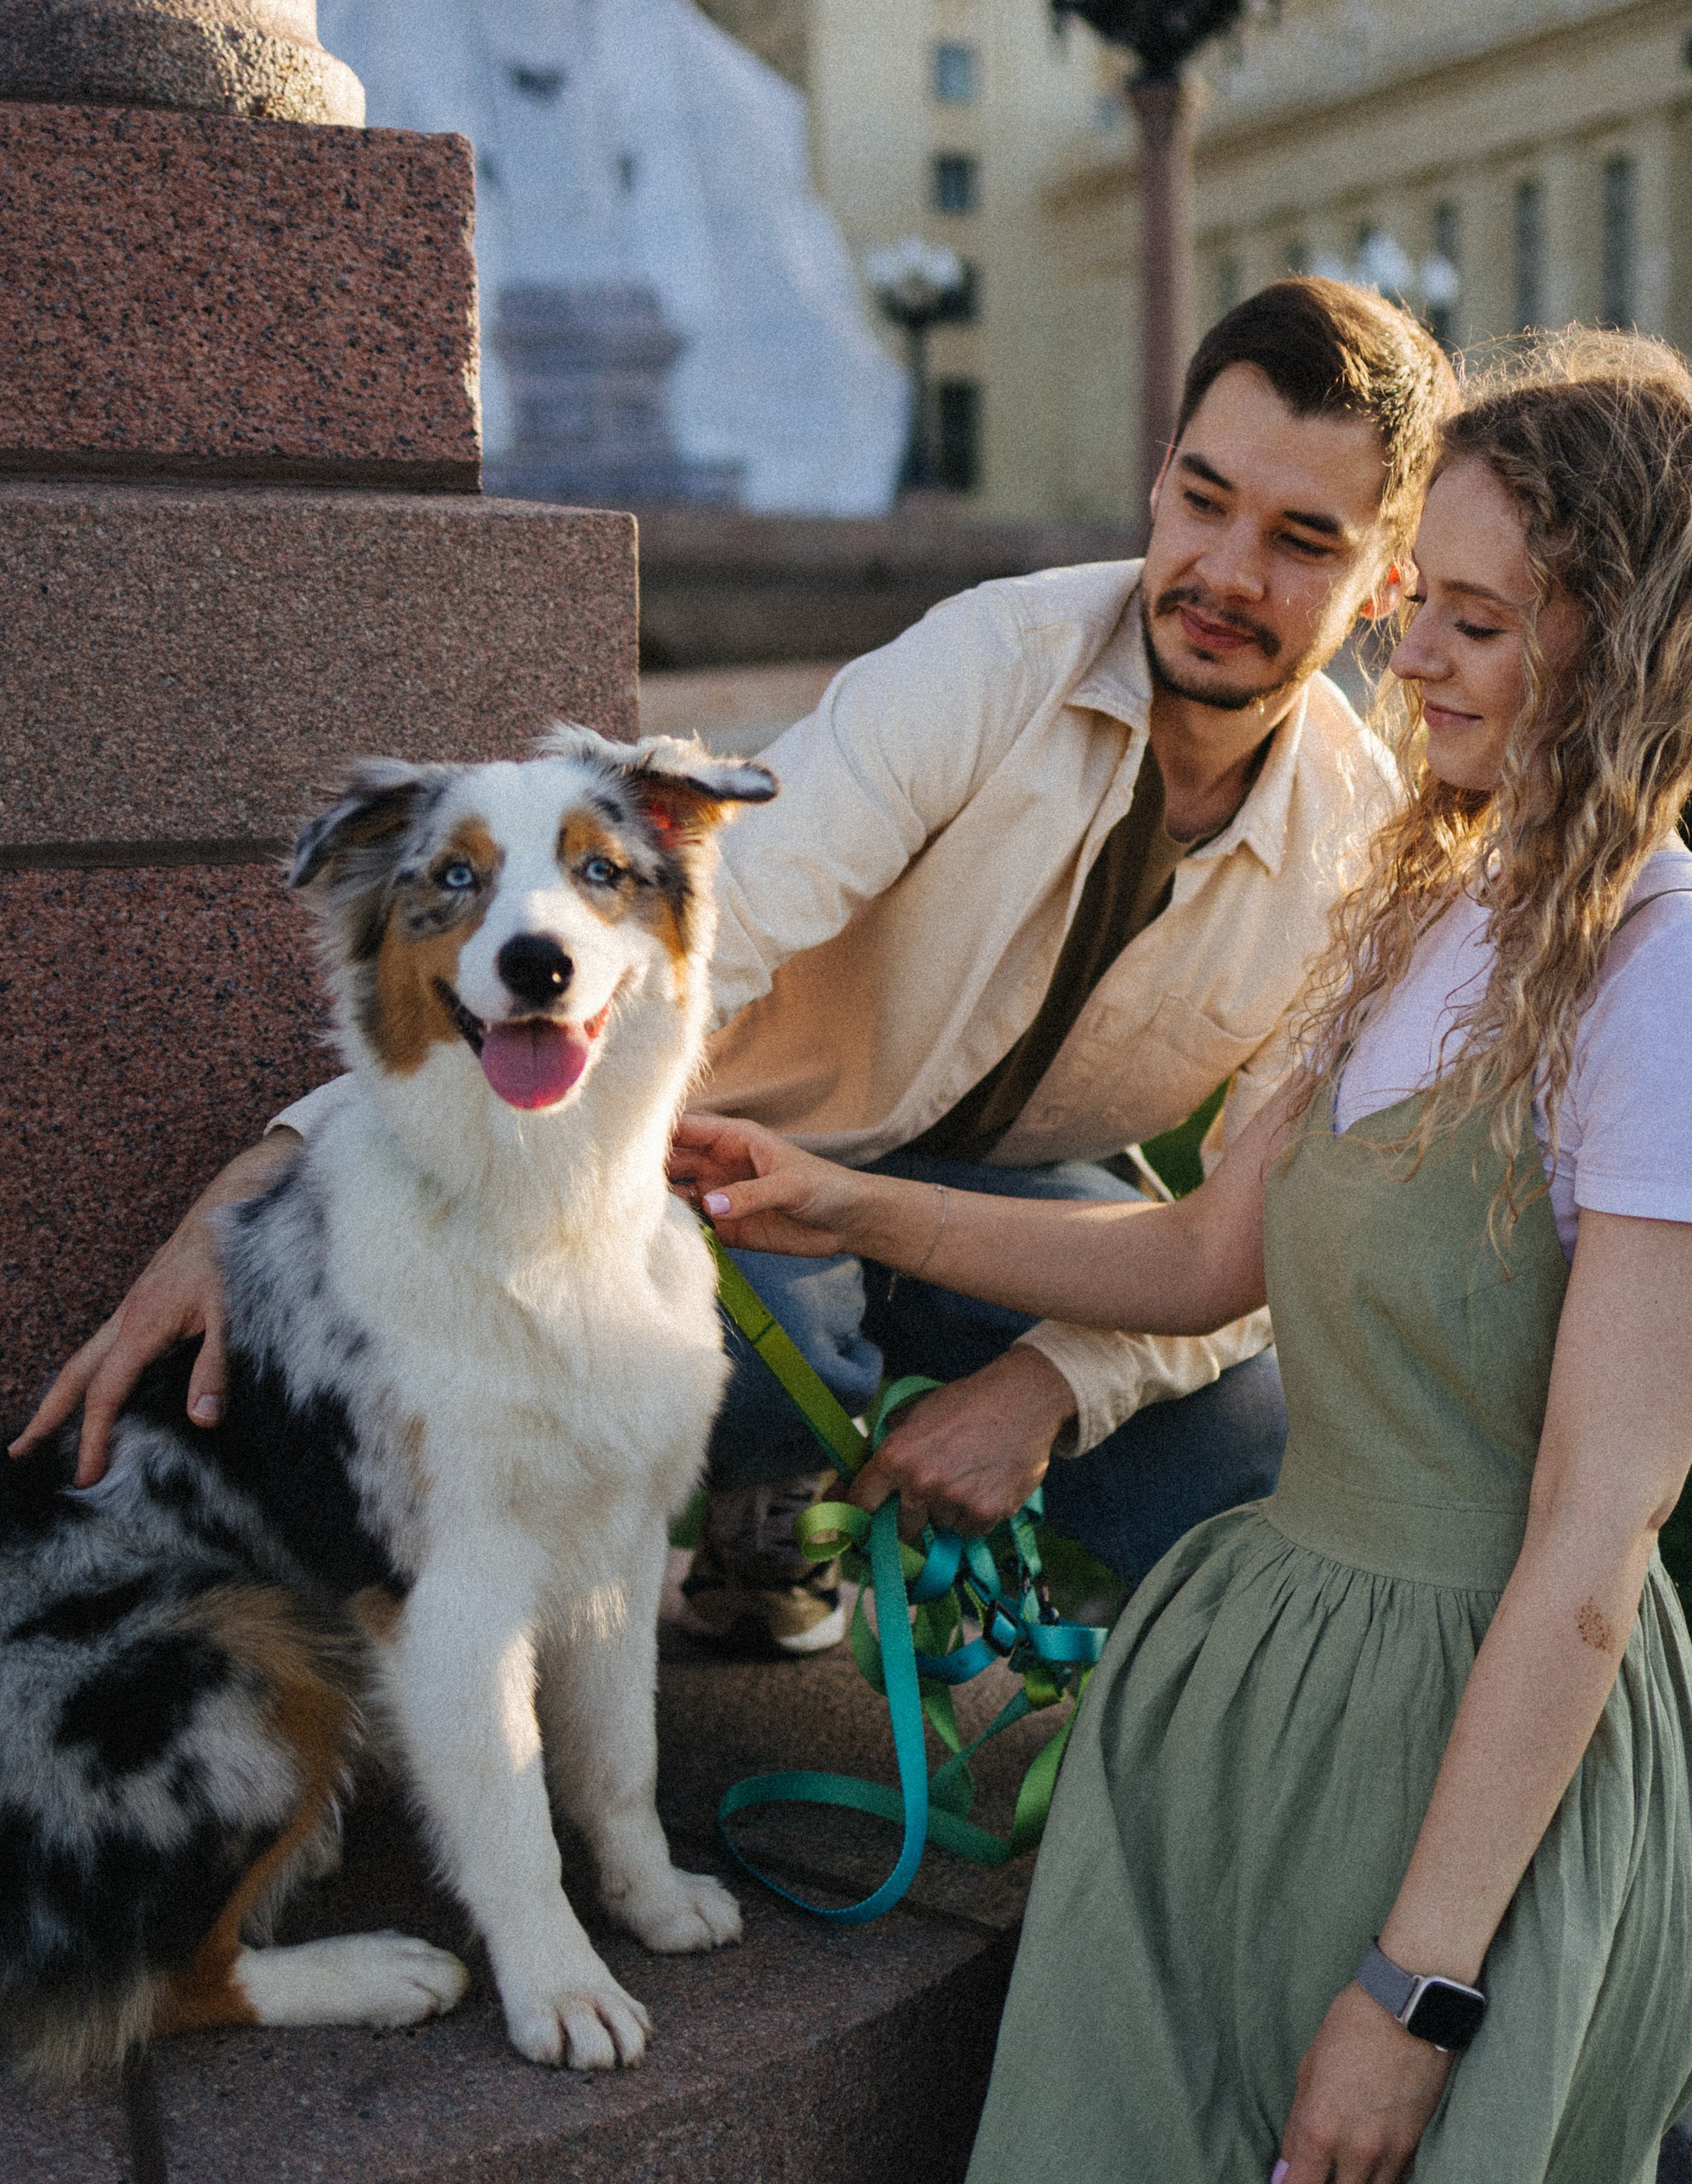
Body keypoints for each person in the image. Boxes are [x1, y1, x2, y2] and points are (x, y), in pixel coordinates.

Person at [670, 333, 1692, 2184]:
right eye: (1421, 604)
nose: (1413, 657)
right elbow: (1201, 1257)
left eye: (1474, 619)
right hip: (1265, 1727)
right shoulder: (1430, 895)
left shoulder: (1691, 985)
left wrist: (1416, 1988)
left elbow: (1590, 1541)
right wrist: (840, 1202)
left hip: (1473, 1794)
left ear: (1625, 637)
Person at [12, 281, 1455, 1649]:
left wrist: (1043, 1386)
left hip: (1007, 1218)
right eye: (1203, 500)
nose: (1225, 571)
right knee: (759, 1367)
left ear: (1390, 576)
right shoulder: (990, 662)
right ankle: (762, 1500)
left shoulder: (1366, 852)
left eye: (1301, 539)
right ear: (1159, 479)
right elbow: (635, 955)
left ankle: (1186, 1754)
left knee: (1259, 1453)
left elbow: (1264, 1241)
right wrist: (247, 1197)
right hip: (729, 1159)